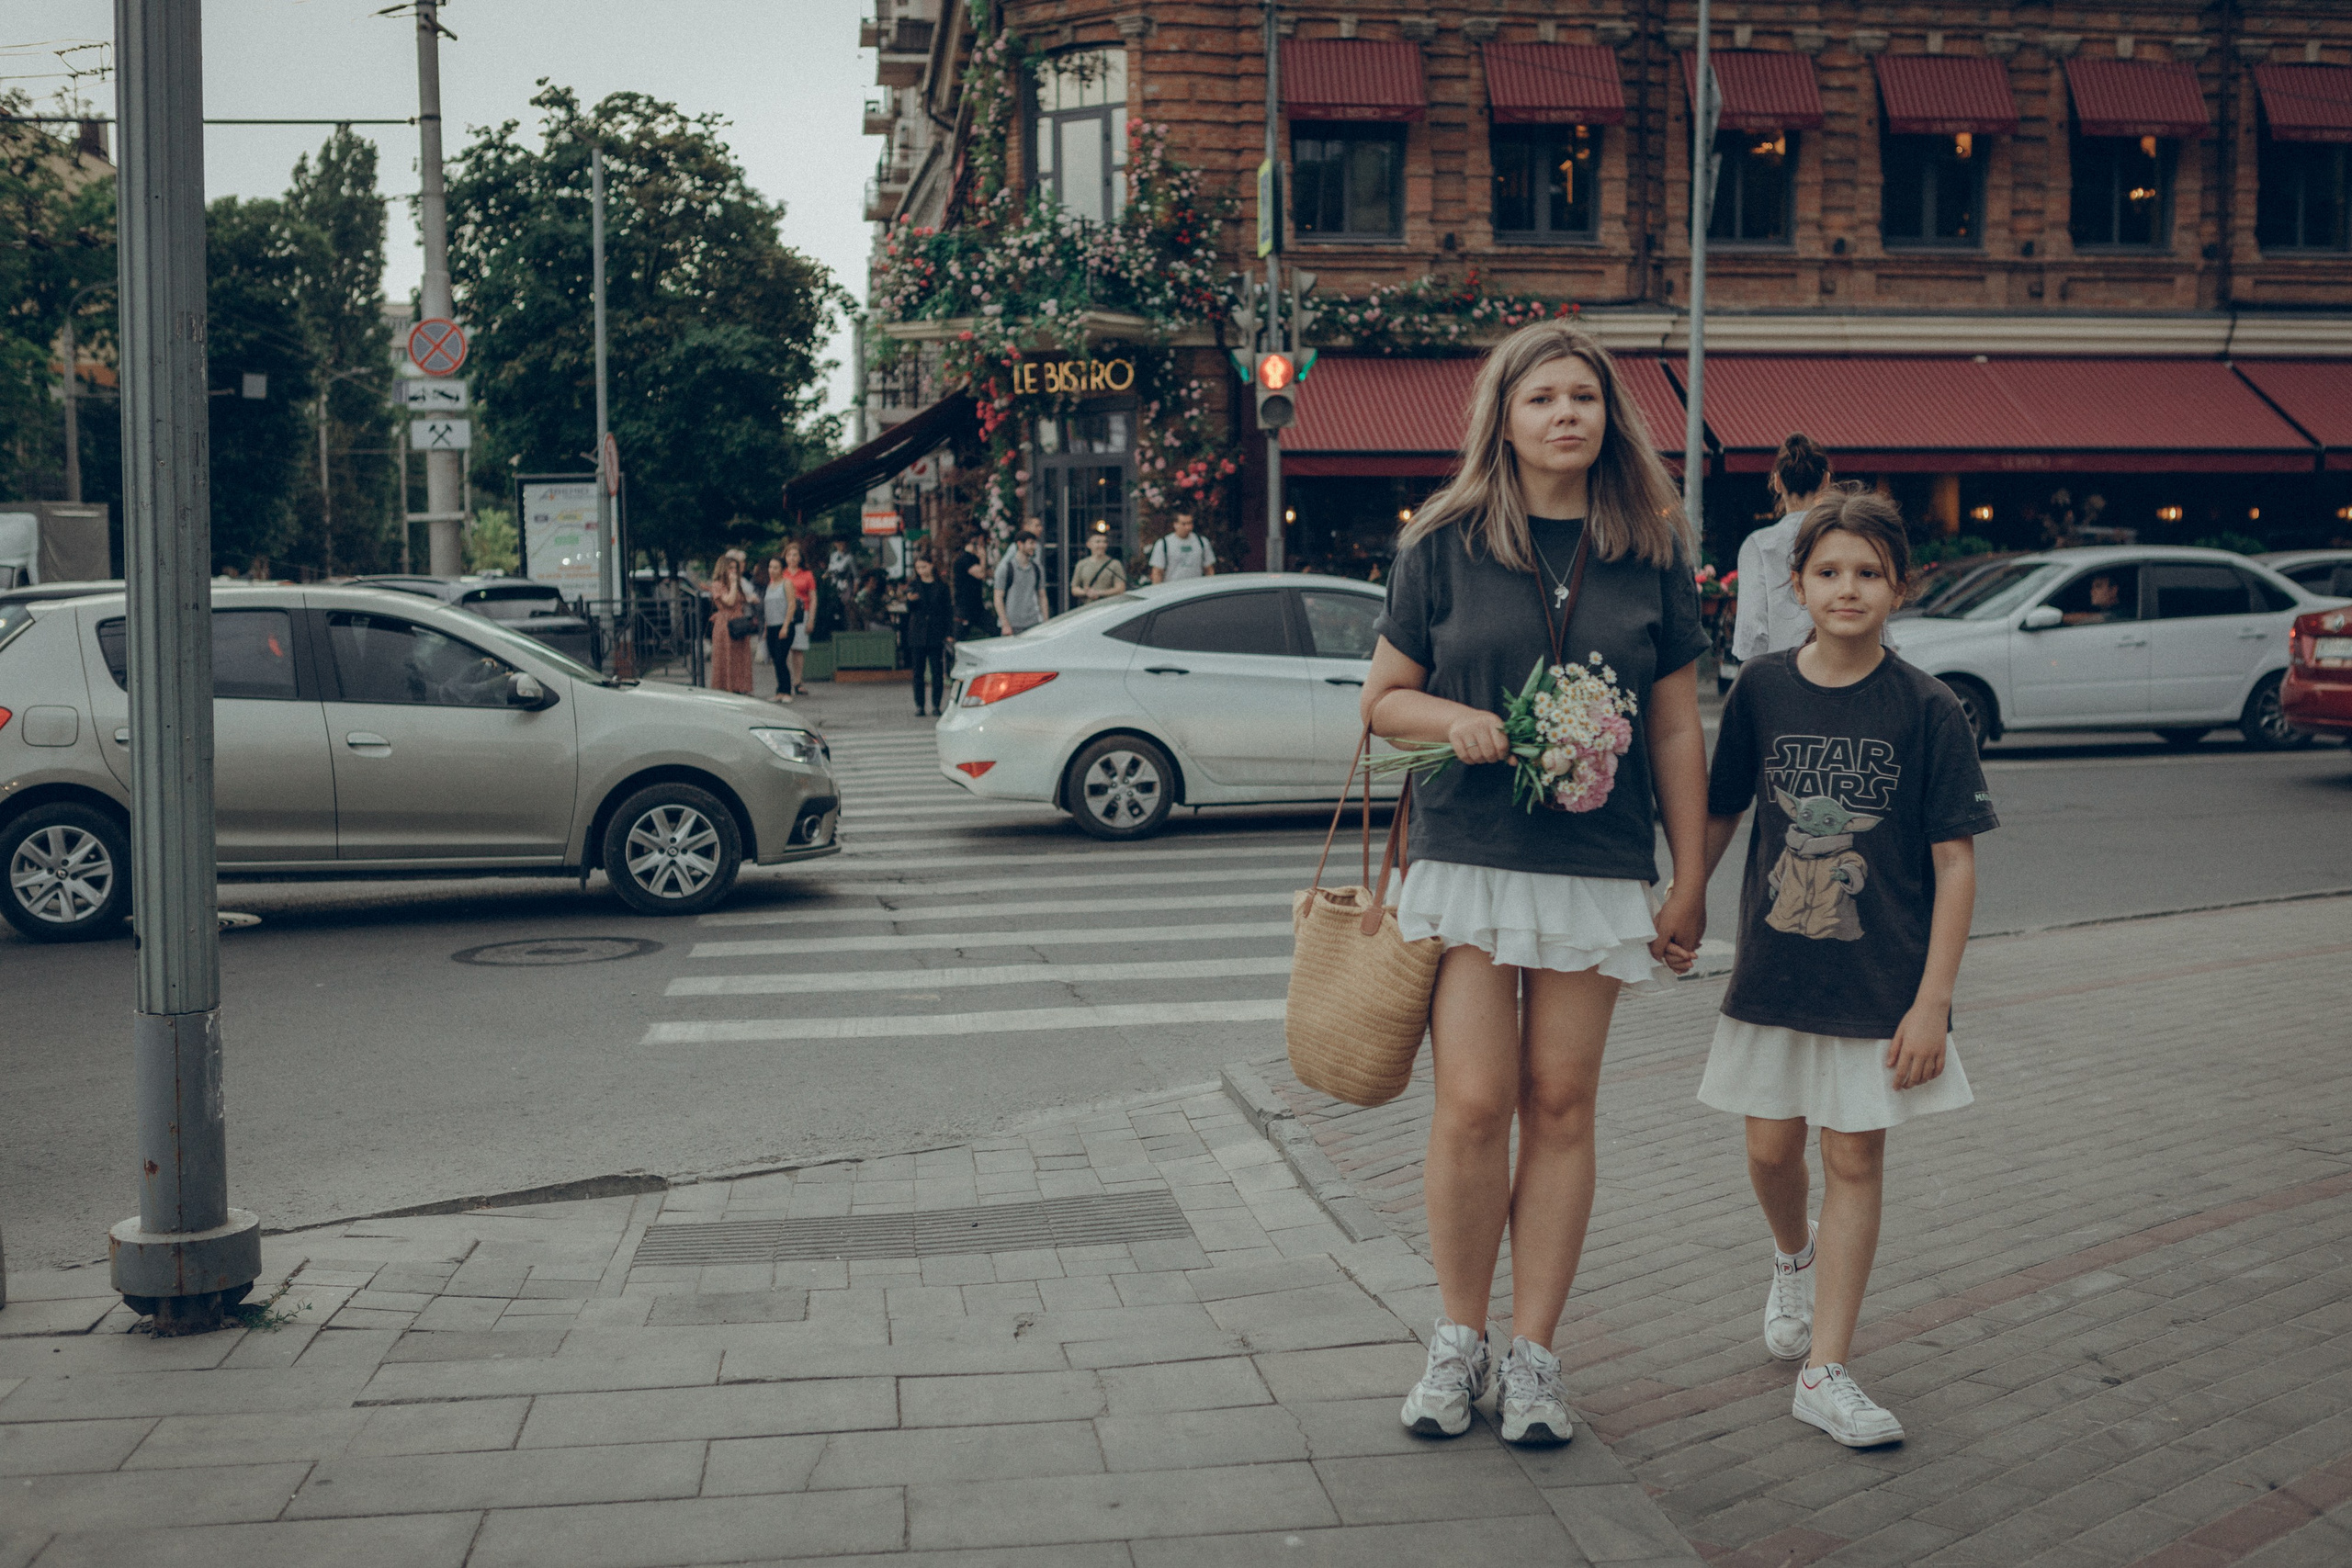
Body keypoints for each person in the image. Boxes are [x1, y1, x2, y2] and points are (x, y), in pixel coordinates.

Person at [1361, 321, 1713, 1445]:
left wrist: (1691, 873)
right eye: (1542, 398)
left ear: (1609, 419)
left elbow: (1671, 727)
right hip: (1469, 854)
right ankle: (1455, 1342)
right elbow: (1381, 702)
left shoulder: (1650, 545)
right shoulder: (1444, 542)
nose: (1567, 414)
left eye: (1585, 398)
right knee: (1472, 1103)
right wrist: (1455, 718)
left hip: (1596, 862)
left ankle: (1537, 1358)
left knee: (1561, 1104)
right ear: (1502, 419)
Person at [1681, 491, 1997, 1448]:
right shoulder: (1764, 689)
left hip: (1880, 985)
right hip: (1774, 973)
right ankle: (1790, 1258)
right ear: (1798, 583)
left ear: (1897, 586)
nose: (1847, 589)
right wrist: (1683, 896)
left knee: (1853, 1155)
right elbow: (1723, 806)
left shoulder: (1927, 707)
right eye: (1829, 572)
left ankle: (1825, 1368)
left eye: (1868, 572)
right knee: (1771, 1151)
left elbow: (1955, 861)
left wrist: (1934, 1003)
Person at [1732, 434, 1840, 662]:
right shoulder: (1843, 540)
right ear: (1826, 481)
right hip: (1839, 669)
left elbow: (1751, 631)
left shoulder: (1759, 545)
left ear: (1777, 481)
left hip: (1780, 673)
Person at [904, 553, 954, 716]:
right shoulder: (914, 585)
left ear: (931, 566)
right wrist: (910, 600)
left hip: (935, 632)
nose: (921, 571)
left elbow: (947, 610)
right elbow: (908, 609)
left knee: (937, 671)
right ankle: (919, 705)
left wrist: (948, 632)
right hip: (917, 633)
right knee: (918, 672)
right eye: (918, 568)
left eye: (923, 566)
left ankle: (936, 705)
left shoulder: (941, 586)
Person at [706, 550, 755, 695]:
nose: (734, 571)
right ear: (723, 569)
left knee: (740, 656)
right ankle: (726, 687)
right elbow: (729, 601)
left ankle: (740, 686)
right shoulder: (718, 584)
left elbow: (741, 599)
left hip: (739, 622)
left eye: (735, 568)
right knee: (727, 656)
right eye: (730, 568)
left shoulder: (737, 583)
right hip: (725, 624)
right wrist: (733, 584)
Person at [778, 540, 817, 697]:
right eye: (789, 555)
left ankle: (798, 681)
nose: (792, 558)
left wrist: (811, 619)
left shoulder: (807, 575)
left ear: (800, 558)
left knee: (798, 648)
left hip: (801, 614)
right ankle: (783, 681)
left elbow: (813, 598)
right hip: (784, 613)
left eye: (795, 555)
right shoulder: (782, 574)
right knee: (782, 649)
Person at [994, 533, 1048, 634]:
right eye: (1031, 543)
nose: (1034, 547)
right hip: (1012, 625)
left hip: (1034, 623)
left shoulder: (1037, 569)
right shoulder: (1006, 569)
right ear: (1020, 544)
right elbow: (998, 597)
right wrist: (1005, 624)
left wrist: (1045, 621)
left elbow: (1042, 596)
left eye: (1035, 543)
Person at [762, 555, 797, 702]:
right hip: (771, 627)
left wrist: (786, 626)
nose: (772, 570)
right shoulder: (770, 586)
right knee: (775, 659)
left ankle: (787, 691)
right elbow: (767, 609)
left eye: (775, 567)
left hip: (784, 626)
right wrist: (765, 629)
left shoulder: (786, 584)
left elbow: (791, 604)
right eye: (770, 567)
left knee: (781, 658)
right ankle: (779, 691)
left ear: (782, 569)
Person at [1148, 513, 1216, 582]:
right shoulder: (1163, 544)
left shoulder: (1202, 542)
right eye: (1184, 524)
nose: (1188, 527)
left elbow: (1209, 569)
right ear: (1175, 524)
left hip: (1196, 589)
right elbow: (1157, 572)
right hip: (1173, 589)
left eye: (1190, 523)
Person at [952, 536, 992, 640]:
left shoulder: (972, 558)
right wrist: (983, 557)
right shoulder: (966, 558)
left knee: (993, 629)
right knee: (960, 635)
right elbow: (980, 574)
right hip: (965, 606)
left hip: (976, 604)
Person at [1070, 530, 1128, 602]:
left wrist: (1099, 593)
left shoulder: (1115, 564)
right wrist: (1086, 593)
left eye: (1104, 542)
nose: (1101, 545)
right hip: (1088, 608)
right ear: (1089, 544)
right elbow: (1074, 589)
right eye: (1097, 542)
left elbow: (1120, 589)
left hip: (1109, 606)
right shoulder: (1081, 564)